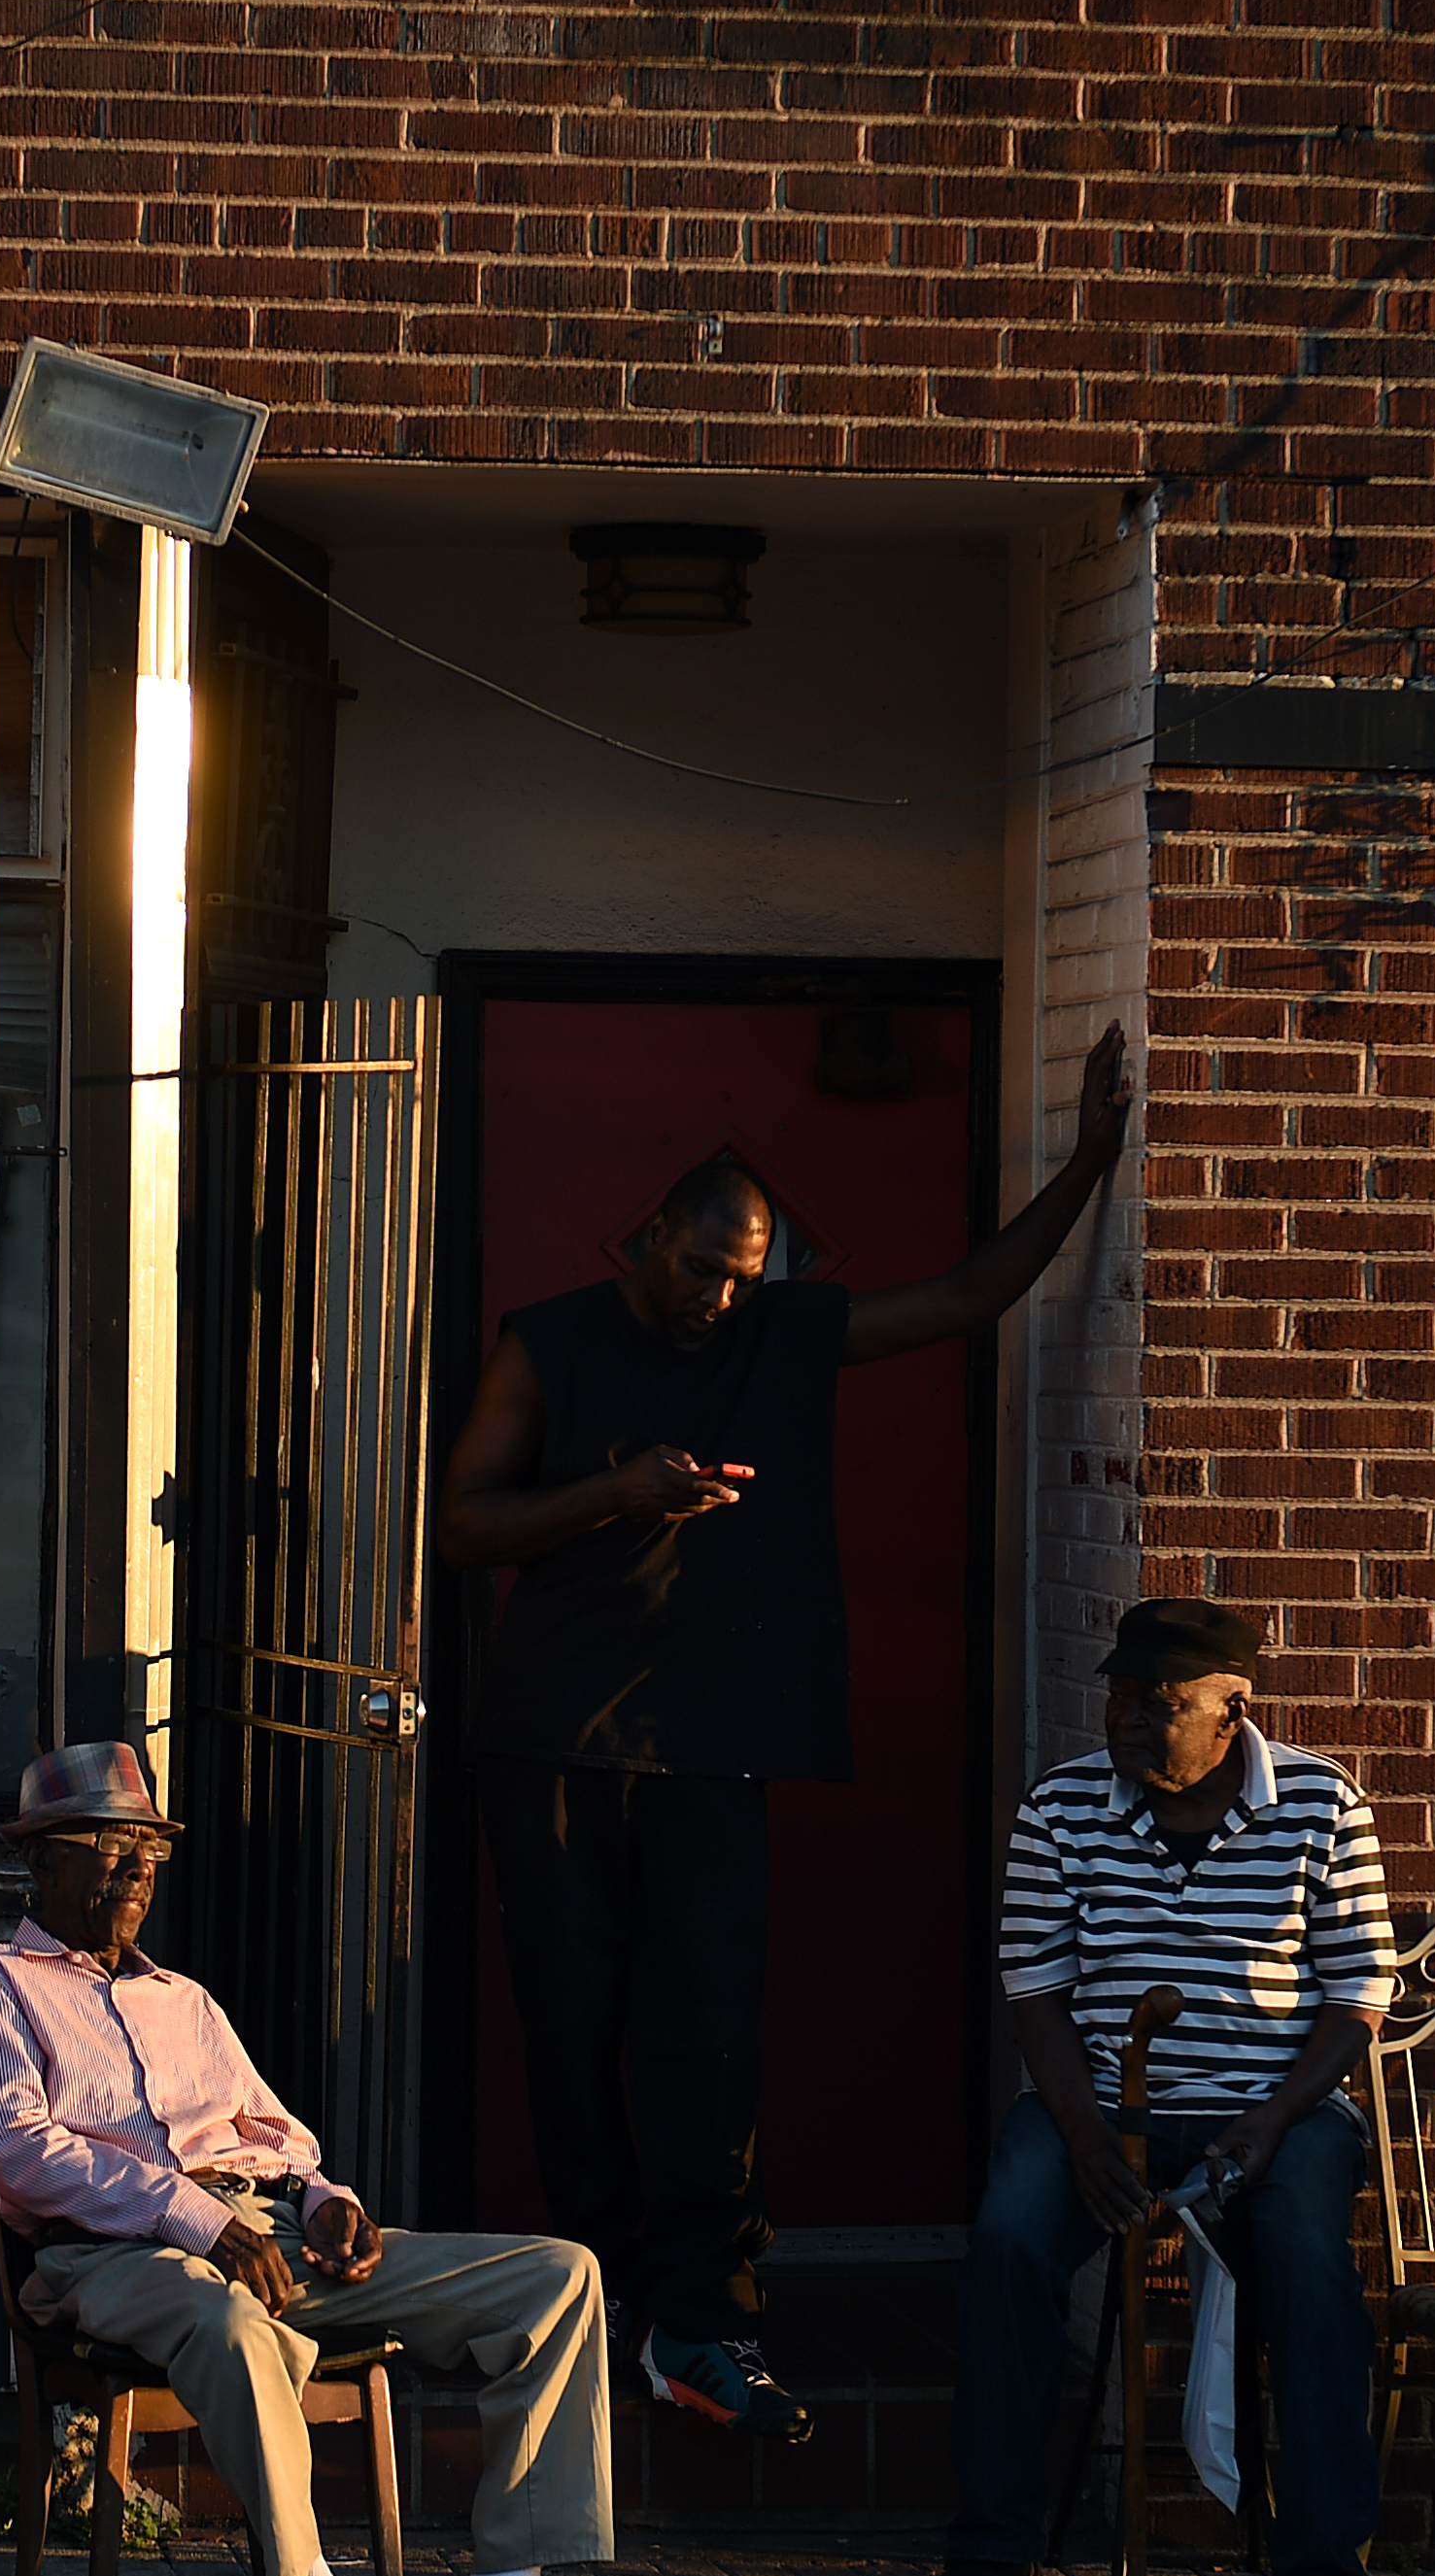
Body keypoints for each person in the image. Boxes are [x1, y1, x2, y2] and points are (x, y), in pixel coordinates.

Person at [437, 1022, 1132, 2440]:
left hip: (718, 1737)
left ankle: (702, 2318)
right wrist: (615, 1495)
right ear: (646, 1242)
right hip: (558, 1737)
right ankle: (598, 2301)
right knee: (571, 2030)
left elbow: (964, 1297)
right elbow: (459, 1525)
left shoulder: (779, 1333)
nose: (719, 1297)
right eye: (701, 1267)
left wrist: (1092, 1162)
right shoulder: (549, 1344)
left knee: (708, 2033)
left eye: (747, 1274)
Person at [0, 1742, 648, 2576]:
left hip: (268, 2235)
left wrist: (323, 2195)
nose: (137, 1866)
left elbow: (275, 2132)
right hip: (109, 2254)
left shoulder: (182, 1999)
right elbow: (19, 2149)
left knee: (556, 2274)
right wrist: (192, 2215)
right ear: (43, 1862)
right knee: (230, 2326)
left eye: (148, 1847)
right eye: (109, 1844)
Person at [918, 1597, 1397, 2576]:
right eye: (1118, 1699)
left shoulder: (1322, 1804)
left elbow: (1357, 1996)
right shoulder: (1060, 1810)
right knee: (1005, 2244)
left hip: (1277, 2112)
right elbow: (1035, 1989)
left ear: (1233, 1707)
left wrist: (1269, 2121)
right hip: (1098, 2105)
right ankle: (994, 2552)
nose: (1128, 1724)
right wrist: (1086, 2137)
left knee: (1316, 2279)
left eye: (1159, 1705)